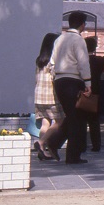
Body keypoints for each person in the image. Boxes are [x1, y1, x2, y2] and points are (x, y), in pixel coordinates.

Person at [47, 11, 92, 165]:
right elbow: (83, 63)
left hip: (60, 81)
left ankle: (54, 143)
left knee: (72, 116)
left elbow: (51, 62)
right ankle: (72, 155)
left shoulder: (59, 39)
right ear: (82, 24)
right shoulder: (78, 40)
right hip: (73, 81)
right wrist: (88, 83)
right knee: (77, 119)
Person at [33, 33, 62, 161]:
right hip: (51, 96)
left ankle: (43, 152)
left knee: (45, 122)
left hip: (39, 96)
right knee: (60, 121)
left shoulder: (39, 60)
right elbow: (56, 78)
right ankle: (41, 142)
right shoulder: (53, 60)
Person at [85, 36, 103, 152]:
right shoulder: (99, 60)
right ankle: (96, 144)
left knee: (81, 119)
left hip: (84, 92)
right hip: (97, 92)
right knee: (94, 121)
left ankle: (81, 144)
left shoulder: (81, 60)